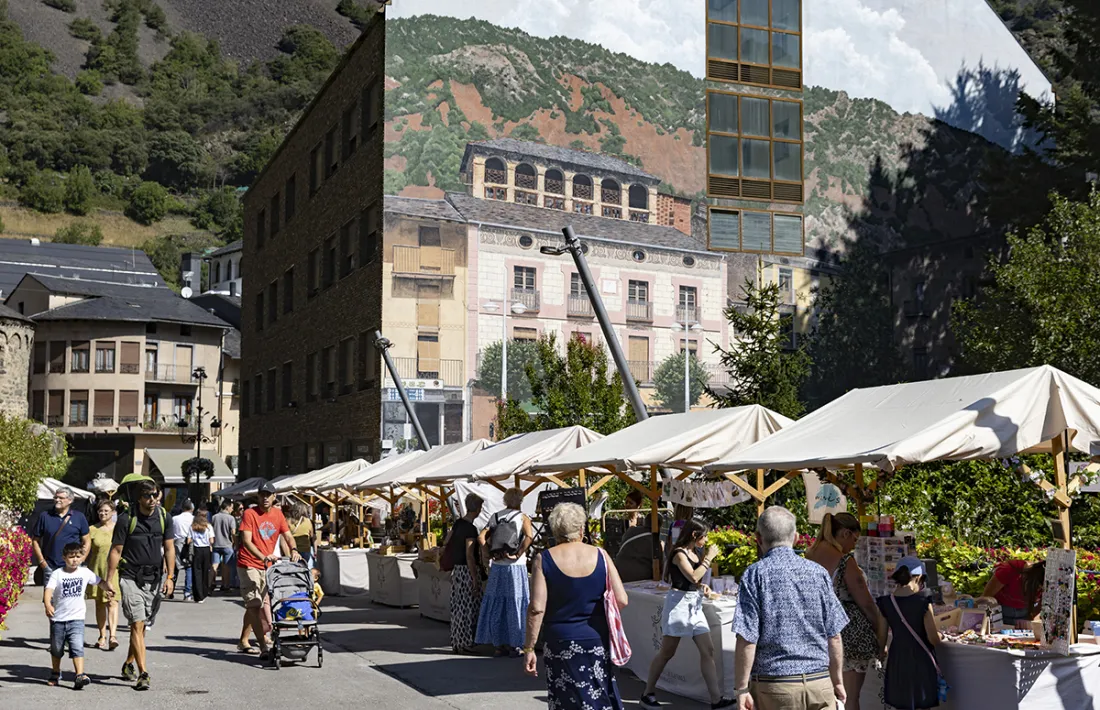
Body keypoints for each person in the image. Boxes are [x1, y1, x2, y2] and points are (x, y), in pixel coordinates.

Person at [733, 506, 849, 710]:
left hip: (775, 686)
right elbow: (835, 635)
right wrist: (837, 680)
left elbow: (747, 638)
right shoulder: (818, 573)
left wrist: (741, 689)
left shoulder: (755, 575)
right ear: (796, 538)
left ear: (758, 538)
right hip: (819, 683)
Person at [523, 502, 628, 709]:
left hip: (560, 640)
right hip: (596, 638)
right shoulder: (602, 556)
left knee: (566, 699)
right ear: (581, 529)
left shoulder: (543, 559)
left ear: (555, 530)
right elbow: (622, 599)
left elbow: (536, 608)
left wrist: (529, 648)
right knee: (598, 696)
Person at [640, 519, 734, 710]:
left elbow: (693, 579)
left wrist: (701, 587)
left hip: (694, 605)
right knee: (667, 652)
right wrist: (709, 559)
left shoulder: (695, 553)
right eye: (704, 536)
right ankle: (647, 693)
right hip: (679, 606)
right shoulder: (679, 553)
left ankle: (716, 699)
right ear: (694, 535)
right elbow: (692, 575)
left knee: (708, 650)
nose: (706, 540)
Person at [805, 512, 886, 710]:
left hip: (813, 630)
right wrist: (879, 632)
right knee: (849, 698)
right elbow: (866, 603)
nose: (854, 545)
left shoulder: (808, 555)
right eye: (854, 539)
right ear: (845, 533)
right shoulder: (845, 561)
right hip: (848, 635)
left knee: (822, 697)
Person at [107, 479, 175, 691]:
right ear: (138, 498)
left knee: (142, 628)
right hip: (130, 577)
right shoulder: (126, 519)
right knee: (136, 624)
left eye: (155, 495)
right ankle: (143, 673)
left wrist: (170, 577)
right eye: (147, 496)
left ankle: (128, 663)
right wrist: (109, 580)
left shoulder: (165, 517)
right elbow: (116, 551)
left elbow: (170, 548)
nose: (152, 499)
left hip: (153, 579)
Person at [236, 481, 301, 664]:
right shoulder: (250, 514)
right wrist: (264, 556)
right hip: (249, 563)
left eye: (268, 494)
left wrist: (294, 550)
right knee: (255, 604)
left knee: (254, 606)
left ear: (274, 497)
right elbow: (247, 541)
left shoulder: (278, 514)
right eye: (262, 494)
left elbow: (288, 535)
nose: (265, 498)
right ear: (258, 496)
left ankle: (243, 640)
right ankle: (264, 647)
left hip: (268, 566)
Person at [44, 542, 115, 689]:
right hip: (58, 619)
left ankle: (80, 675)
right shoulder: (57, 574)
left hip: (77, 619)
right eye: (71, 557)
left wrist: (107, 588)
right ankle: (56, 672)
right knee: (57, 648)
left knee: (77, 646)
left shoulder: (84, 572)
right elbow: (48, 590)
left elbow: (99, 582)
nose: (75, 560)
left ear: (82, 557)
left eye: (77, 556)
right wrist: (48, 604)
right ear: (64, 557)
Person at [476, 487, 535, 656]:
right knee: (516, 603)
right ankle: (515, 643)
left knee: (497, 603)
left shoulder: (495, 516)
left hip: (498, 566)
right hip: (515, 566)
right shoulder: (522, 517)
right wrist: (517, 553)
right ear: (520, 501)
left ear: (505, 500)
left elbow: (481, 537)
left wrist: (488, 552)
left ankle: (498, 644)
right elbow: (529, 537)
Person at [878, 558, 942, 710]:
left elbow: (881, 638)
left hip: (897, 658)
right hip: (920, 659)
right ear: (918, 578)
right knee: (921, 703)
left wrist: (881, 652)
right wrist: (942, 636)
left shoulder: (885, 602)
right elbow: (933, 639)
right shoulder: (923, 601)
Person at [444, 492, 485, 654]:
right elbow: (469, 554)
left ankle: (457, 641)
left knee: (458, 607)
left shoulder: (458, 523)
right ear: (478, 509)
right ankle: (465, 642)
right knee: (467, 608)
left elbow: (447, 541)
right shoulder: (470, 529)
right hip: (466, 570)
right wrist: (475, 577)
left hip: (456, 570)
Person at [32, 487, 90, 591]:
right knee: (50, 601)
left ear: (70, 500)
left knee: (71, 601)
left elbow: (87, 540)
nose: (57, 500)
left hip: (73, 567)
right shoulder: (45, 516)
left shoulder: (79, 517)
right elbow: (35, 540)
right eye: (55, 497)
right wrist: (42, 562)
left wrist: (82, 559)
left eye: (61, 498)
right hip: (50, 567)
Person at [86, 499, 120, 651]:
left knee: (112, 602)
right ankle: (102, 635)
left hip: (114, 570)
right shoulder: (92, 529)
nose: (103, 513)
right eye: (100, 511)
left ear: (113, 512)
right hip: (97, 569)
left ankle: (113, 635)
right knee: (99, 603)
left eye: (106, 511)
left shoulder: (118, 529)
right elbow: (85, 549)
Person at [615, 489, 661, 583]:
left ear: (638, 505)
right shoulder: (619, 519)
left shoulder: (643, 520)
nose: (627, 505)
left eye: (630, 503)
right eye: (626, 502)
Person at [981, 558, 1046, 627]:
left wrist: (1029, 622)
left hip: (1023, 617)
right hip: (998, 614)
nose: (1038, 590)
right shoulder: (1009, 570)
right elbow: (985, 598)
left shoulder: (1048, 585)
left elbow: (1038, 611)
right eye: (1037, 587)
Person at [171, 499, 195, 600]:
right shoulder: (194, 519)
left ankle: (170, 590)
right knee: (189, 567)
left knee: (174, 567)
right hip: (190, 543)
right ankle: (187, 592)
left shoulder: (175, 518)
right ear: (192, 509)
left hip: (176, 542)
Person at [212, 499, 237, 592]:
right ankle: (225, 585)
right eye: (231, 507)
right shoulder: (231, 518)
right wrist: (235, 543)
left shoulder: (214, 517)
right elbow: (233, 532)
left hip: (216, 544)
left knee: (214, 565)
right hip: (227, 544)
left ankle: (212, 582)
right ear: (227, 507)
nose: (232, 509)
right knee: (226, 566)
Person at [190, 509, 215, 603]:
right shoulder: (208, 527)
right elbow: (212, 541)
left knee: (196, 572)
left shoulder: (193, 526)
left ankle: (197, 595)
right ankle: (204, 593)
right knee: (205, 572)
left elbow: (189, 540)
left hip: (196, 550)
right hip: (206, 549)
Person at [288, 503, 316, 569]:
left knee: (293, 569)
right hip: (305, 549)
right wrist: (315, 550)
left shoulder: (288, 521)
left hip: (292, 550)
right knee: (303, 568)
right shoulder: (308, 521)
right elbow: (312, 536)